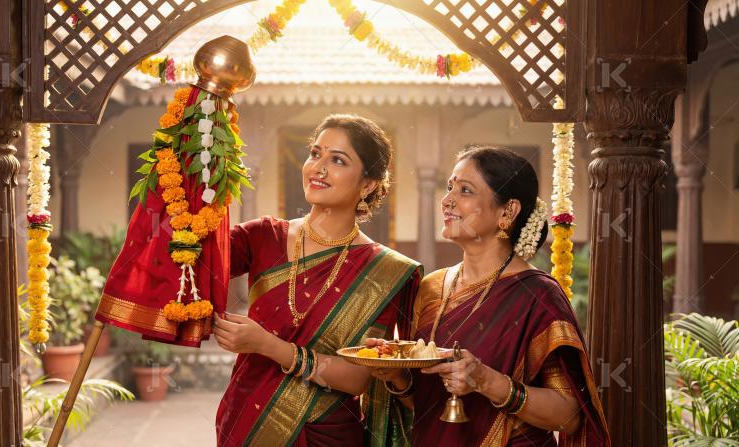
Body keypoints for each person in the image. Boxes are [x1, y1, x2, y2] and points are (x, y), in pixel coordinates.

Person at [368, 146, 610, 446]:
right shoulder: (431, 288)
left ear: (507, 211)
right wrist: (395, 377)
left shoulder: (538, 296)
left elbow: (569, 416)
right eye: (449, 187)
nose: (447, 201)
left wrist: (485, 380)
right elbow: (428, 407)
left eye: (465, 190)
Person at [213, 114, 421, 446]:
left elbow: (356, 378)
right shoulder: (262, 236)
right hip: (247, 422)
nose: (318, 168)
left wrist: (266, 345)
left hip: (327, 433)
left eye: (338, 160)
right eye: (315, 153)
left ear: (368, 184)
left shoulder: (383, 270)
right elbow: (191, 266)